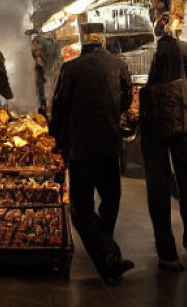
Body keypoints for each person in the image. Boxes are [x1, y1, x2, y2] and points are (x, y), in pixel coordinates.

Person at [50, 24, 134, 286]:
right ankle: (108, 252)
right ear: (103, 42)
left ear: (83, 44)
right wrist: (109, 115)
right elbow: (127, 98)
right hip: (109, 144)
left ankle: (106, 253)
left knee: (81, 209)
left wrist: (57, 138)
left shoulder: (71, 68)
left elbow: (59, 106)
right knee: (111, 200)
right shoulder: (118, 65)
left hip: (81, 148)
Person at [140, 16, 187, 271]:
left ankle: (167, 251)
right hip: (183, 122)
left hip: (155, 123)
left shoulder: (157, 54)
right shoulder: (185, 50)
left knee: (158, 186)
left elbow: (150, 86)